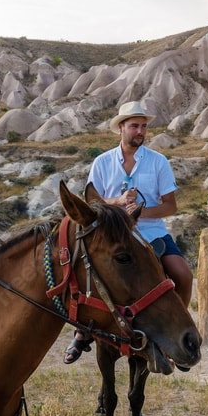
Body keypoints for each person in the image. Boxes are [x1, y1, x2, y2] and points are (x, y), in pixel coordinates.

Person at [64, 100, 194, 364]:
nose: (140, 131)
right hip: (112, 233)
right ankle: (82, 331)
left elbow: (171, 206)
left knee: (183, 274)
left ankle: (175, 330)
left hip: (151, 232)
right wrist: (119, 203)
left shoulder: (158, 162)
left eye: (143, 126)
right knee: (87, 274)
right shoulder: (102, 163)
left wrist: (140, 212)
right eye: (134, 126)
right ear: (121, 128)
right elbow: (93, 202)